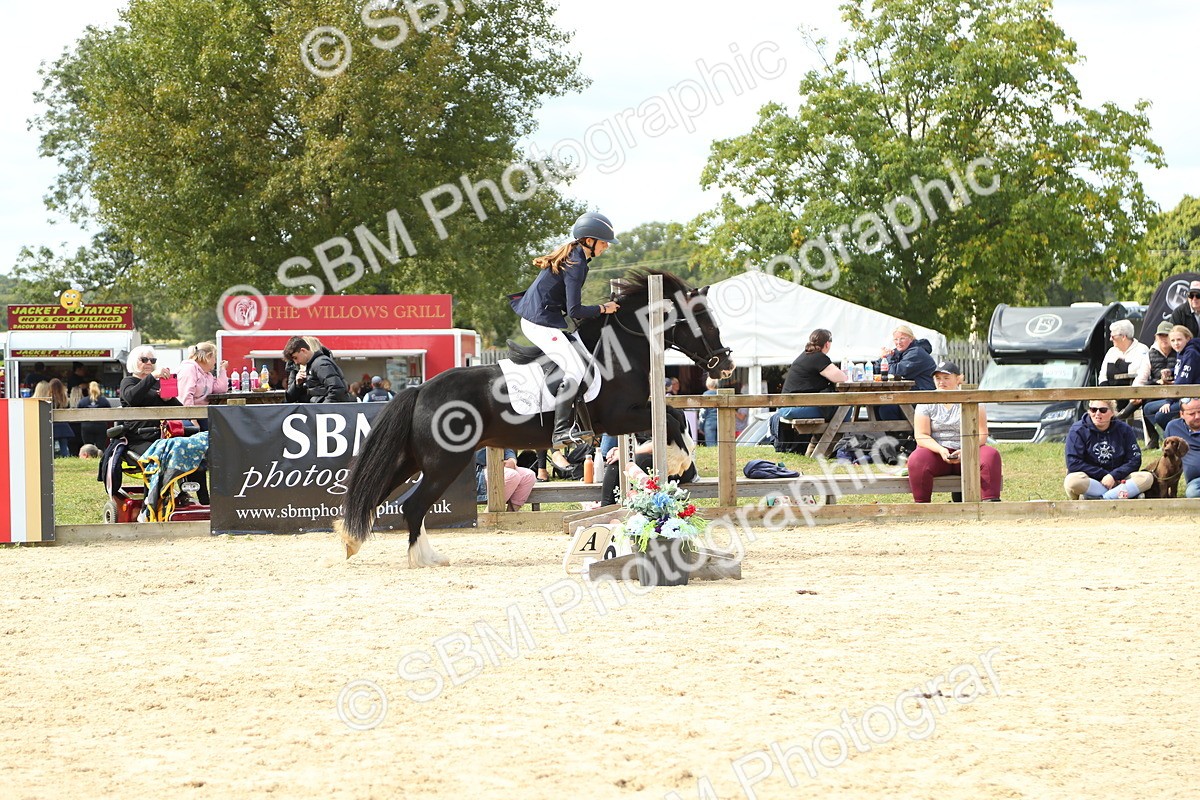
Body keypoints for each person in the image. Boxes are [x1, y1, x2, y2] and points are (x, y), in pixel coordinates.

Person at [509, 211, 621, 447]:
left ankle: (576, 424)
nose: (606, 247)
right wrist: (603, 308)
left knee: (577, 356)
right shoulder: (576, 263)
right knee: (575, 369)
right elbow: (575, 310)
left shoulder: (574, 254)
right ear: (589, 241)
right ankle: (560, 431)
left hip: (540, 318)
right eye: (603, 243)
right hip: (538, 322)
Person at [907, 361, 1002, 502]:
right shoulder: (926, 401)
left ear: (958, 379)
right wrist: (940, 450)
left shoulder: (973, 399)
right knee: (916, 459)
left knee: (991, 455)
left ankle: (990, 502)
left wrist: (966, 450)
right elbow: (921, 435)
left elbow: (982, 433)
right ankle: (922, 506)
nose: (941, 382)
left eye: (946, 378)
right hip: (937, 453)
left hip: (968, 450)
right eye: (938, 378)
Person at [772, 328, 850, 451]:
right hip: (794, 409)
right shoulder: (819, 358)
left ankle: (818, 449)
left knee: (832, 409)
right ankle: (831, 448)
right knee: (844, 409)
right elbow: (842, 378)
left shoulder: (805, 355)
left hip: (786, 407)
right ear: (827, 344)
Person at [1064, 399, 1153, 499]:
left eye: (1102, 410)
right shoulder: (1077, 430)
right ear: (1089, 411)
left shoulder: (1124, 429)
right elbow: (1073, 463)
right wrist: (1105, 475)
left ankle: (1097, 498)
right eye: (1093, 410)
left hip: (1119, 480)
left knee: (1147, 478)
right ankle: (1121, 495)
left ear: (1112, 412)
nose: (1097, 414)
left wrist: (1114, 476)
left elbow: (1134, 460)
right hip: (1091, 481)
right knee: (1072, 481)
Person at [1121, 320, 1177, 447]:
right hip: (1157, 392)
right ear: (1156, 337)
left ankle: (1126, 413)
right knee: (1145, 393)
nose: (1164, 339)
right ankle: (1153, 438)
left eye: (1167, 336)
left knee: (1146, 395)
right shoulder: (1150, 354)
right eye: (1160, 336)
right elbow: (1141, 377)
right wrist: (1135, 394)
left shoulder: (1180, 351)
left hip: (1176, 393)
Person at [119, 345, 182, 448]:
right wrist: (152, 376)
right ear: (134, 361)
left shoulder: (157, 383)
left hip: (163, 436)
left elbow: (180, 410)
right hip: (138, 438)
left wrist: (168, 399)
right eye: (144, 360)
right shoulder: (128, 381)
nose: (149, 363)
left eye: (152, 360)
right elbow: (132, 398)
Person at [877, 324, 936, 420]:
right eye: (896, 339)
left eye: (902, 338)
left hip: (923, 397)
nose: (898, 342)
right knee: (876, 404)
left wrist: (888, 358)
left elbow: (896, 372)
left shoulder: (916, 353)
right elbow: (878, 368)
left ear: (911, 339)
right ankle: (895, 434)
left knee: (886, 409)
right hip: (909, 394)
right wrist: (882, 358)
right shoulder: (901, 352)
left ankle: (901, 434)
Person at [1153, 325, 1200, 433]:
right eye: (1172, 340)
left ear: (1188, 338)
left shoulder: (1191, 353)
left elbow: (1183, 381)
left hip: (1192, 397)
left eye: (1179, 339)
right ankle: (1160, 438)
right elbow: (1181, 369)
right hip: (1180, 394)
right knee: (1148, 408)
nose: (1176, 343)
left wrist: (1169, 401)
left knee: (1161, 416)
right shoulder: (1181, 352)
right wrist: (1171, 371)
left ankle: (1179, 436)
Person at [282, 336, 352, 403]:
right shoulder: (315, 364)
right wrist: (297, 384)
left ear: (303, 350)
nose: (295, 362)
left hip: (325, 411)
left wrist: (321, 409)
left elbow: (336, 389)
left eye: (295, 358)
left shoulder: (320, 364)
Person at [1098, 319, 1150, 410]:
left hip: (1133, 397)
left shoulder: (1142, 349)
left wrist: (1115, 366)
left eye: (1113, 336)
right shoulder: (1111, 351)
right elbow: (1103, 375)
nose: (1110, 339)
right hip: (1111, 396)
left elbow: (1138, 370)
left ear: (1123, 337)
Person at [176, 341, 229, 429]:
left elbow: (221, 388)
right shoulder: (189, 369)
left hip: (201, 414)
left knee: (222, 427)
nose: (215, 362)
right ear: (208, 356)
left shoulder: (207, 375)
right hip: (184, 415)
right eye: (214, 358)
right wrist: (193, 420)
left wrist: (223, 369)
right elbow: (185, 396)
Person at [1163, 397, 1200, 498]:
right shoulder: (1173, 427)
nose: (1197, 416)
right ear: (1182, 414)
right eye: (1192, 414)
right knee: (1192, 493)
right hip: (1196, 481)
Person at [33, 379, 74, 457]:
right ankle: (66, 457)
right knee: (64, 446)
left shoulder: (49, 398)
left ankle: (50, 457)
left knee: (50, 446)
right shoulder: (64, 398)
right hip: (63, 425)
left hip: (52, 425)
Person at [76, 380, 113, 450]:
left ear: (88, 389)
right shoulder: (104, 401)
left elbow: (78, 414)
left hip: (86, 426)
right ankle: (101, 459)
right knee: (101, 447)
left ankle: (89, 459)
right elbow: (109, 413)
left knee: (88, 447)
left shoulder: (83, 401)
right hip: (101, 426)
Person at [700, 377, 719, 447]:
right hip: (721, 422)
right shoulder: (720, 393)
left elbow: (703, 412)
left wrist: (701, 426)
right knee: (721, 445)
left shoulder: (706, 394)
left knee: (711, 446)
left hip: (709, 422)